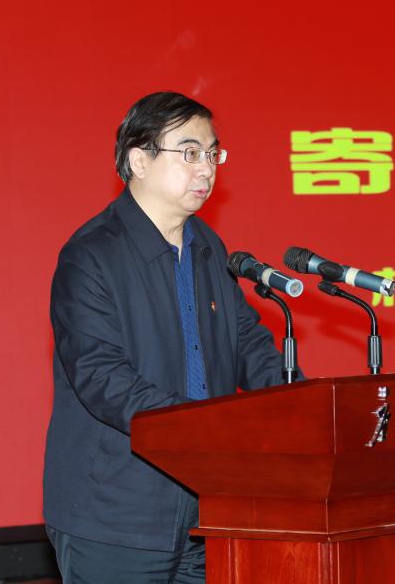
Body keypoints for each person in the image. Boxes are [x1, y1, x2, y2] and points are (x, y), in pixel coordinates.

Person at [43, 91, 288, 583]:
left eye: (213, 154)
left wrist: (299, 405)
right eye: (190, 152)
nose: (206, 169)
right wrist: (204, 429)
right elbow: (102, 379)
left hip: (205, 508)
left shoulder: (207, 246)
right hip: (115, 514)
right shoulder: (90, 256)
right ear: (139, 161)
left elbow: (248, 343)